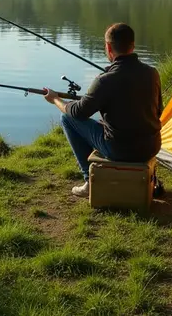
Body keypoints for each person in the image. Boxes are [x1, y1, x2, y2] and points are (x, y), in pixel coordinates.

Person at [42, 22, 162, 198]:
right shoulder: (152, 73)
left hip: (120, 150)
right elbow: (157, 111)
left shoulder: (104, 80)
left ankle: (89, 181)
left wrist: (55, 100)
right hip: (152, 146)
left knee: (67, 119)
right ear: (133, 45)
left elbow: (77, 113)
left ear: (108, 47)